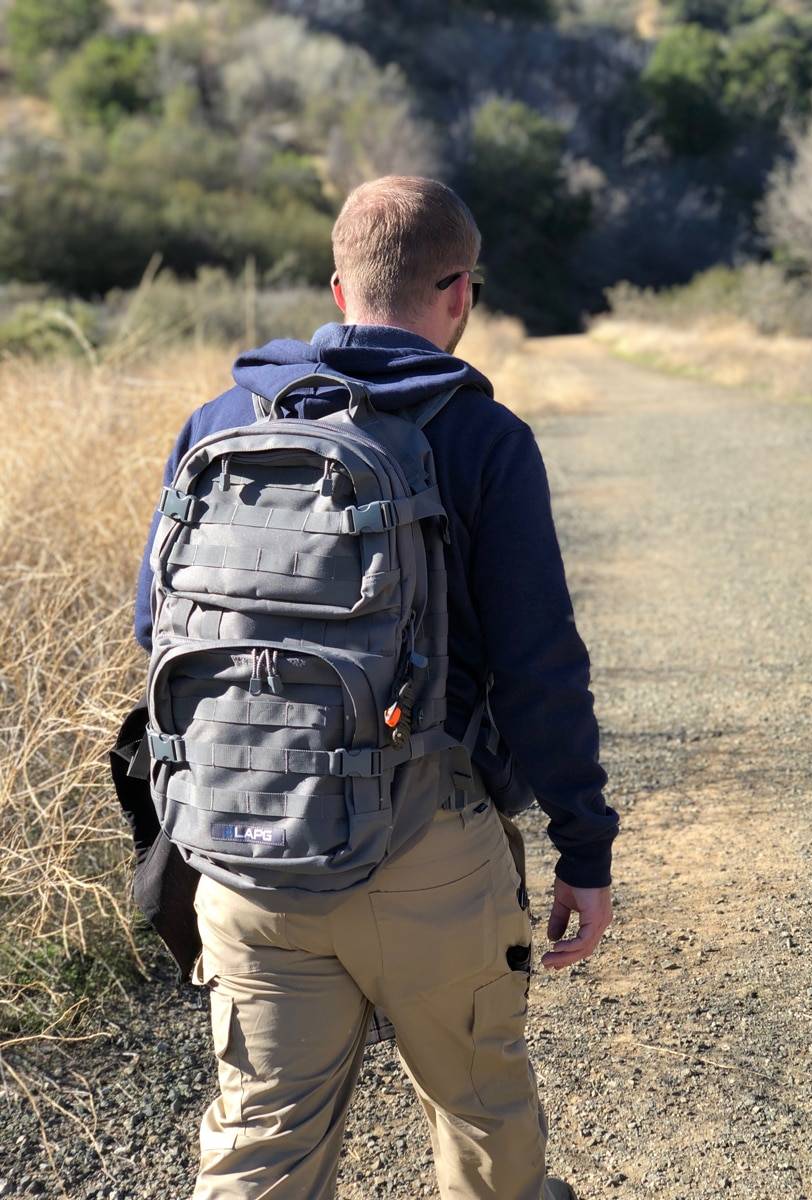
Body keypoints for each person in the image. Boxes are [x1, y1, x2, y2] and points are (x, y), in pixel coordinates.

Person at [134, 175, 618, 1200]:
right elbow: (541, 668)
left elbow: (154, 629)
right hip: (426, 857)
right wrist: (584, 844)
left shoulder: (218, 420)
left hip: (243, 854)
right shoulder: (483, 439)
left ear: (338, 288)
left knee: (260, 1146)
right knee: (483, 1119)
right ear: (460, 292)